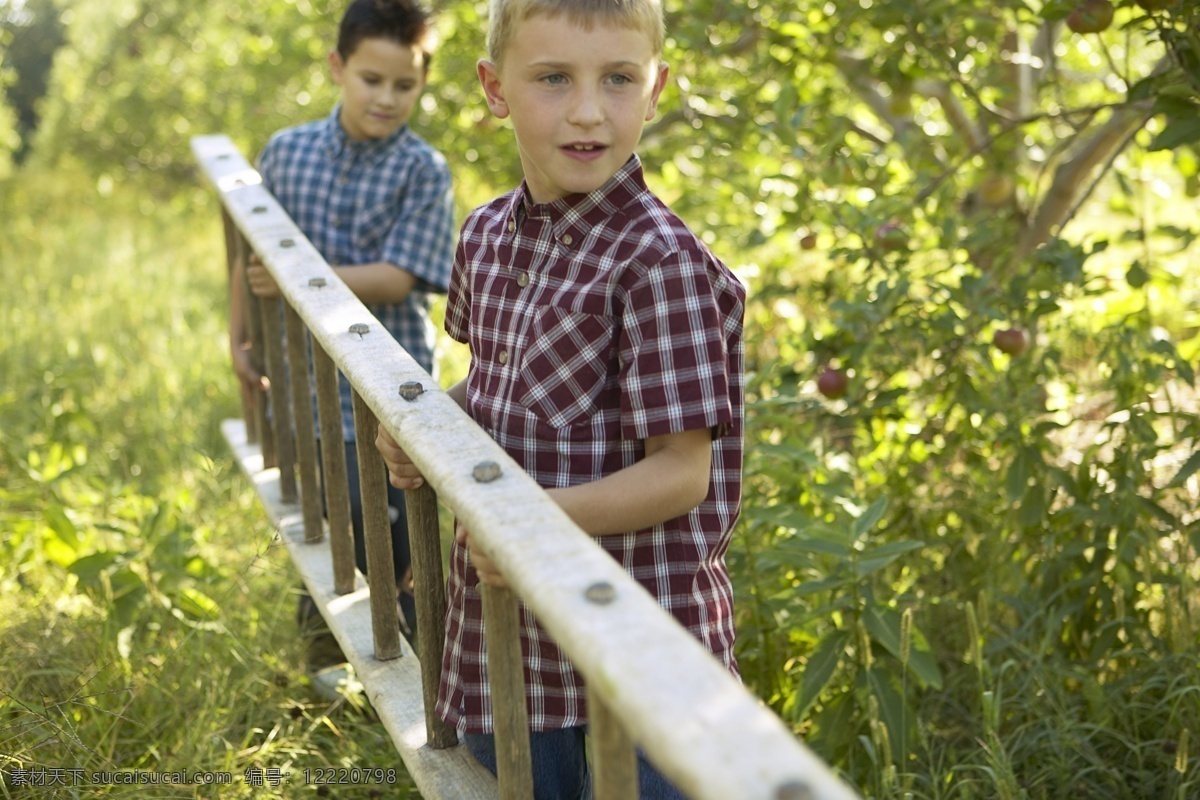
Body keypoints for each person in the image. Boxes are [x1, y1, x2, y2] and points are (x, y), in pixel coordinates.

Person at [376, 0, 745, 796]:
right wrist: (431, 424)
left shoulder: (660, 264)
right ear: (494, 87)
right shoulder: (485, 236)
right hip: (511, 631)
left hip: (640, 629)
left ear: (655, 90)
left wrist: (525, 525)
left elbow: (682, 472)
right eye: (553, 79)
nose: (588, 111)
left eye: (618, 79)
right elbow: (500, 383)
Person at [229, 0, 455, 686]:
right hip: (300, 381)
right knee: (318, 522)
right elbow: (250, 256)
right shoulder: (286, 152)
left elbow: (399, 276)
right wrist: (239, 335)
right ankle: (327, 678)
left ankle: (418, 680)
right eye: (371, 79)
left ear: (422, 82)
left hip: (383, 391)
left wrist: (299, 273)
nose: (387, 98)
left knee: (386, 534)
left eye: (404, 85)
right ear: (338, 68)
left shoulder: (422, 168)